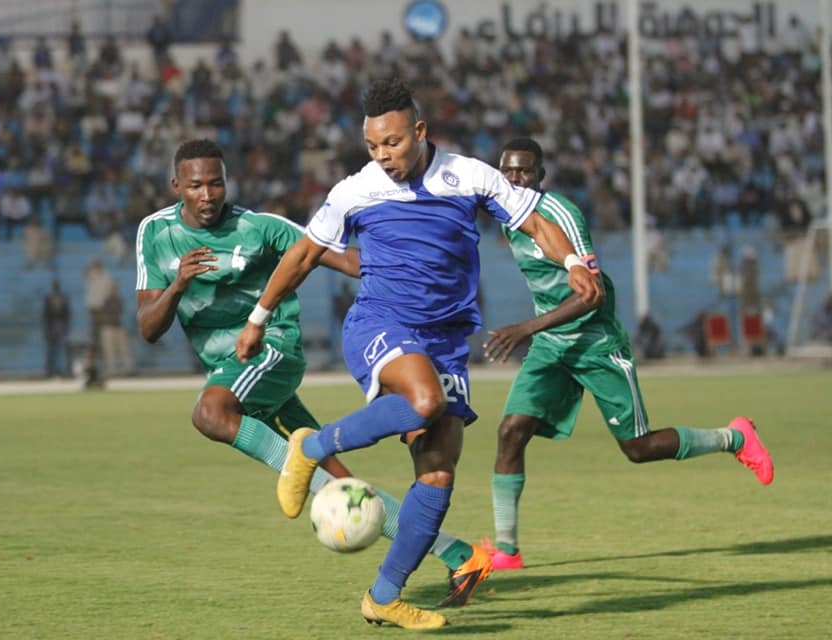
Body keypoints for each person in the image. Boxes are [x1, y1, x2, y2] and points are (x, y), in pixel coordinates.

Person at [235, 78, 602, 629]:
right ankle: (310, 446)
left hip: (446, 341)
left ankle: (384, 597)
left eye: (393, 143)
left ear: (421, 132)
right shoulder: (356, 190)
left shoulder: (470, 176)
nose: (383, 156)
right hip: (379, 323)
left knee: (437, 475)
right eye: (372, 146)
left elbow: (534, 221)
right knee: (424, 401)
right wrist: (257, 318)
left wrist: (573, 262)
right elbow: (305, 254)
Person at [136, 138, 491, 607]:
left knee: (210, 413)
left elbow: (327, 253)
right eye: (196, 185)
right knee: (341, 486)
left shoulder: (259, 228)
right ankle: (461, 555)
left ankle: (301, 456)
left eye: (216, 183)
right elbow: (149, 327)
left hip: (270, 349)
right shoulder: (155, 233)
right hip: (231, 371)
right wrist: (178, 284)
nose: (208, 195)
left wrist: (409, 266)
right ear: (176, 186)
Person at [480, 137, 775, 572]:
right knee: (510, 431)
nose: (514, 178)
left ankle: (734, 438)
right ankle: (508, 550)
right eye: (507, 170)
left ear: (541, 176)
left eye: (524, 171)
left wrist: (525, 328)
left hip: (595, 342)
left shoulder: (561, 213)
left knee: (638, 448)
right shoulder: (506, 214)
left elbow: (593, 294)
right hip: (551, 346)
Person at [42, 280, 70, 378]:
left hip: (57, 325)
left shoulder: (59, 298)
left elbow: (66, 313)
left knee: (59, 349)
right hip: (56, 325)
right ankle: (51, 370)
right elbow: (46, 314)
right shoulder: (51, 298)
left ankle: (60, 369)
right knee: (53, 349)